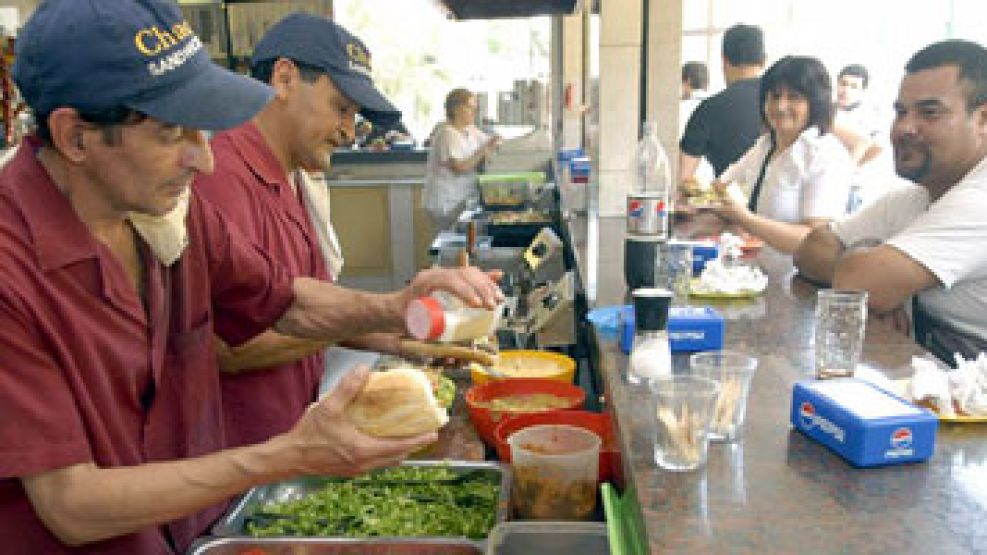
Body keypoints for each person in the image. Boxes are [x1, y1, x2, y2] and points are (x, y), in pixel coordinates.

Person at [0, 1, 502, 552]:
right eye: (173, 134)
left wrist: (398, 305)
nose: (205, 161)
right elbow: (72, 505)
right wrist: (286, 456)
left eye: (204, 131)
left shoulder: (169, 212)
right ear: (74, 136)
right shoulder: (12, 270)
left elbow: (283, 299)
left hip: (192, 529)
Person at [194, 13, 421, 449]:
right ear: (284, 78)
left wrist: (401, 340)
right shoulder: (220, 178)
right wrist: (386, 311)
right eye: (342, 108)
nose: (349, 132)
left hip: (292, 434)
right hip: (244, 457)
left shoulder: (291, 176)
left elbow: (297, 310)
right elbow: (231, 346)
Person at [794, 39, 987, 364]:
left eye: (929, 113)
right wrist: (868, 272)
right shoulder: (915, 197)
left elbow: (859, 282)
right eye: (900, 112)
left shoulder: (979, 201)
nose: (904, 128)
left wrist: (873, 281)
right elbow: (811, 248)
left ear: (982, 120)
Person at [702, 56, 854, 254]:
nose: (781, 106)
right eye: (774, 96)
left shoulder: (825, 155)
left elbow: (814, 241)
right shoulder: (765, 146)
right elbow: (720, 187)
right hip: (748, 274)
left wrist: (744, 219)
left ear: (815, 103)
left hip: (794, 281)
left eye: (794, 97)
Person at [679, 24, 766, 181]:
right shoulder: (782, 107)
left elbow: (684, 178)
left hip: (728, 201)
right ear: (764, 60)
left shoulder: (708, 109)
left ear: (724, 60)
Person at [423, 88, 500, 231]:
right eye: (470, 107)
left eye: (475, 108)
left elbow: (493, 141)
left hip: (461, 198)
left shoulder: (469, 130)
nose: (474, 112)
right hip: (446, 202)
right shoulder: (447, 133)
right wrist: (484, 149)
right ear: (457, 109)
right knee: (452, 240)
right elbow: (459, 167)